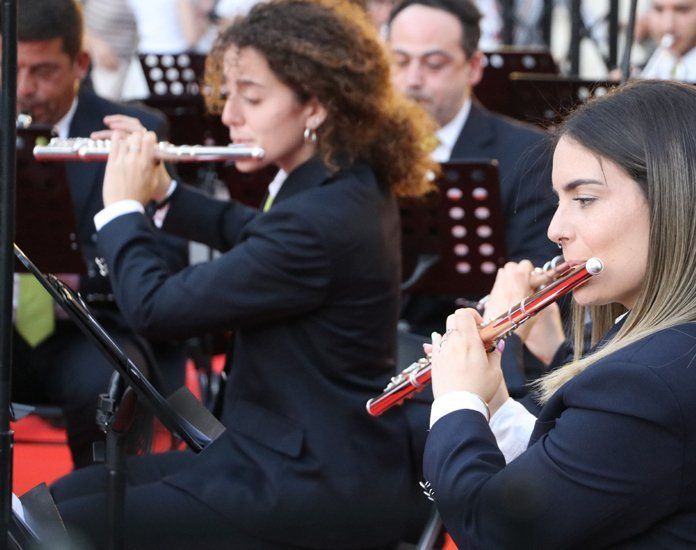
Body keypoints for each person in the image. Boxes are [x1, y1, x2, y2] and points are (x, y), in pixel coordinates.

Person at [50, 0, 436, 547]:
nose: (229, 115)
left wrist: (121, 209)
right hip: (282, 454)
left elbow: (156, 309)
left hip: (308, 485)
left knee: (63, 524)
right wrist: (165, 193)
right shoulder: (337, 182)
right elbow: (255, 233)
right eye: (230, 94)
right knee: (61, 498)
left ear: (316, 106)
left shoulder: (320, 219)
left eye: (250, 97)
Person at [423, 81, 696, 548]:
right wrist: (496, 404)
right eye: (559, 201)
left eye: (583, 199)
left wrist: (455, 400)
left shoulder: (652, 379)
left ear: (673, 200)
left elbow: (494, 530)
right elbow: (583, 470)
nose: (555, 229)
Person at [11, 0, 187, 469]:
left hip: (91, 328)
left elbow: (166, 257)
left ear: (80, 64)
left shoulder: (136, 131)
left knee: (105, 388)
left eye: (44, 71)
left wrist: (77, 277)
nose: (25, 89)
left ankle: (92, 517)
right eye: (14, 69)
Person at [387, 0, 558, 338]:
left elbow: (537, 273)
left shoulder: (528, 154)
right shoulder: (359, 147)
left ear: (474, 67)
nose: (412, 80)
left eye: (434, 64)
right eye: (400, 61)